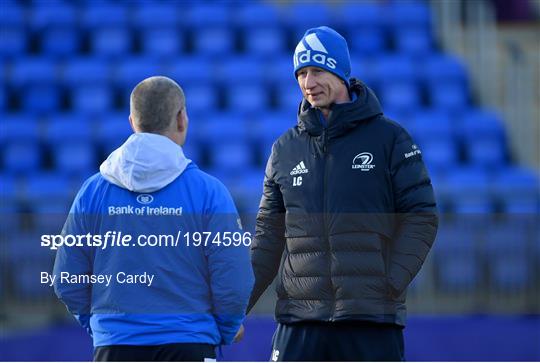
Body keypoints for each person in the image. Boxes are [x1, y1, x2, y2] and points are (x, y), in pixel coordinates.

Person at [248, 26, 439, 361]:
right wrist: (235, 308)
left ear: (341, 72)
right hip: (300, 321)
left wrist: (389, 283)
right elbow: (267, 237)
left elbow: (421, 216)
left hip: (370, 320)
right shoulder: (284, 149)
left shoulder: (390, 140)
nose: (308, 83)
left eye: (317, 70)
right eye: (301, 73)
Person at [53, 76, 254, 361]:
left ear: (133, 121)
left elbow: (66, 279)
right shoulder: (209, 192)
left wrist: (105, 327)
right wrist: (226, 328)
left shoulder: (93, 192)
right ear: (182, 118)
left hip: (114, 347)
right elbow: (233, 280)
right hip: (190, 344)